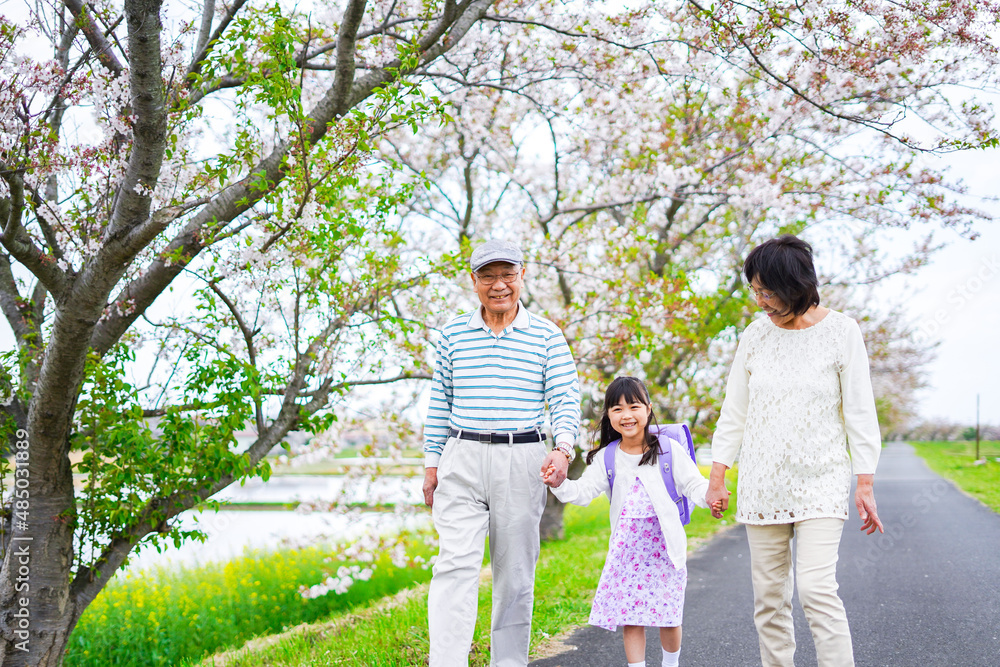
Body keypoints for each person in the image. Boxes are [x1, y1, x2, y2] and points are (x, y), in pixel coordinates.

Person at [706, 234, 884, 667]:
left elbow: (859, 410)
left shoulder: (842, 332)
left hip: (820, 480)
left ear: (797, 285)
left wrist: (865, 481)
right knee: (769, 598)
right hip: (761, 483)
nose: (761, 301)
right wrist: (718, 477)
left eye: (768, 291)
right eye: (755, 291)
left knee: (817, 589)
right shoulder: (755, 335)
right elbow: (735, 411)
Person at [422, 238, 582, 667]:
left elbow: (566, 398)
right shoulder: (453, 334)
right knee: (454, 566)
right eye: (488, 276)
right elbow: (440, 401)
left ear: (521, 276)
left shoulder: (546, 335)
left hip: (522, 457)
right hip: (462, 454)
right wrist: (431, 464)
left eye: (507, 274)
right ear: (473, 281)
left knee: (514, 575)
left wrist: (563, 450)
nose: (499, 285)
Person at [543, 376, 717, 667]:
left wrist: (710, 498)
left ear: (648, 409)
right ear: (608, 416)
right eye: (617, 409)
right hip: (627, 554)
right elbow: (583, 492)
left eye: (633, 406)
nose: (626, 415)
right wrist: (559, 483)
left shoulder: (667, 449)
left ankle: (670, 663)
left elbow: (693, 484)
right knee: (631, 619)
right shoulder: (607, 457)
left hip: (665, 551)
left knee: (668, 616)